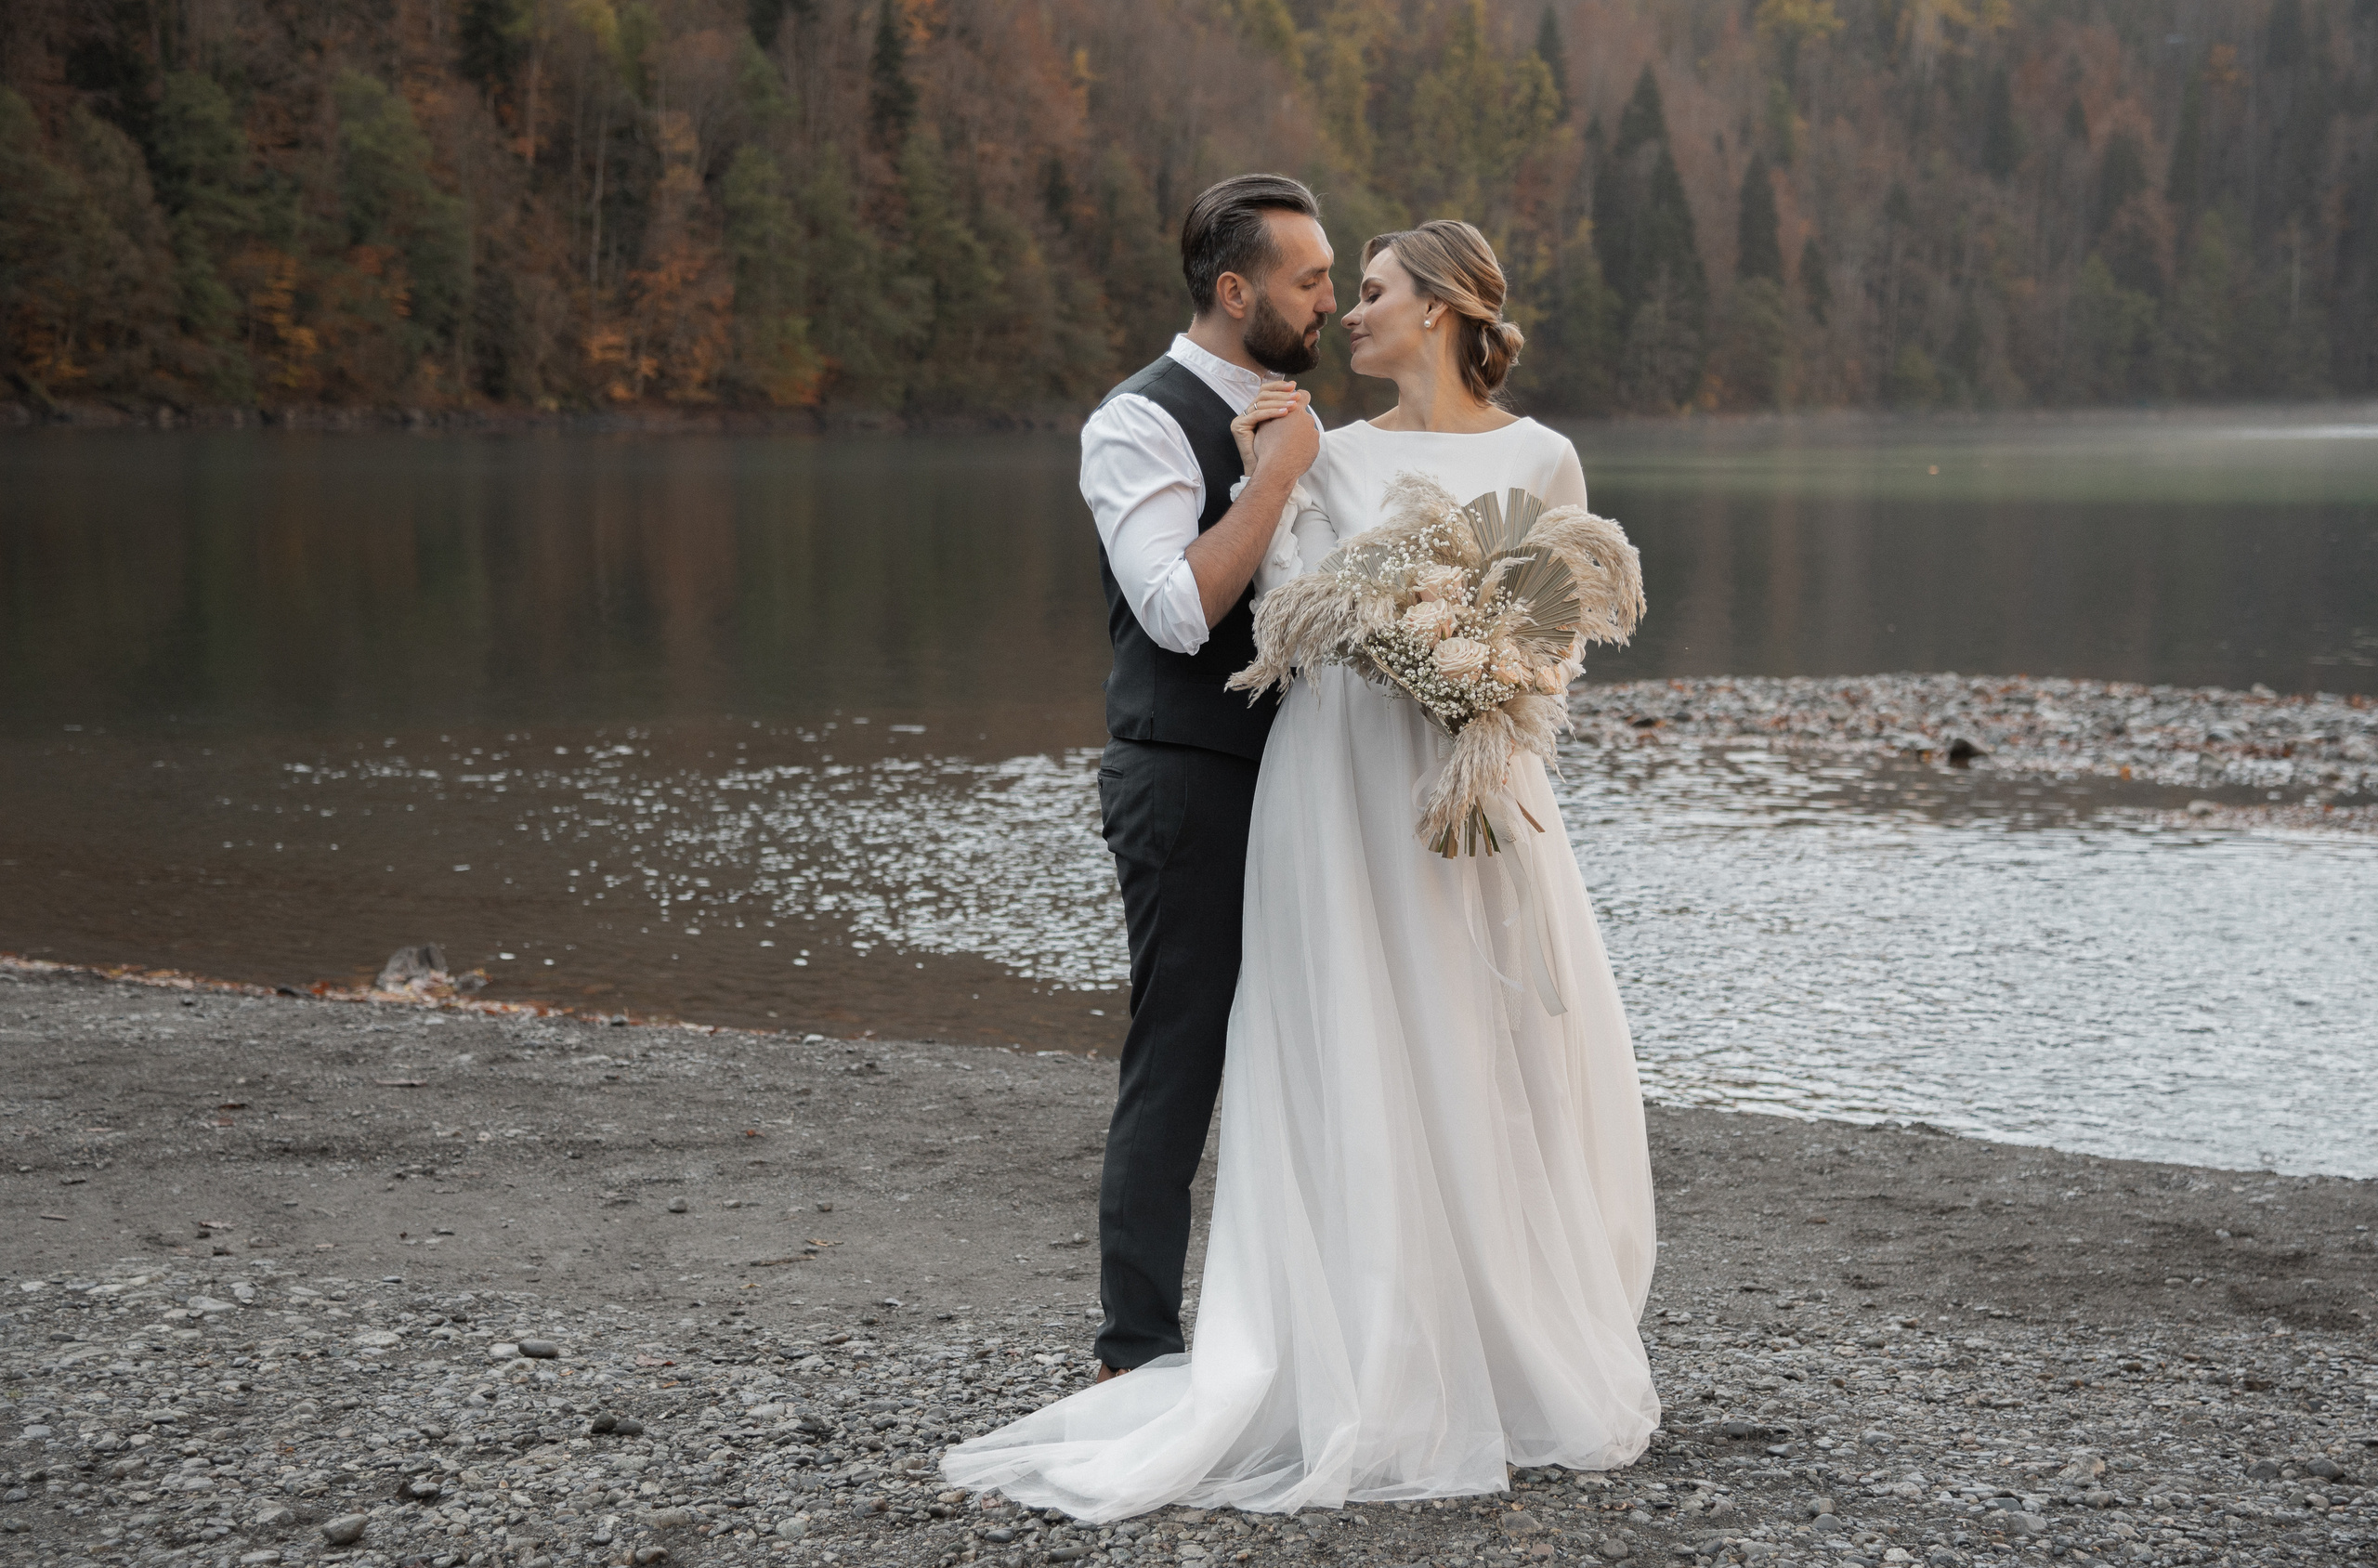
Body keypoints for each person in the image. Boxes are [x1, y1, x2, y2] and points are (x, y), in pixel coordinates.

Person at [943, 217, 1659, 1518]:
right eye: (1328, 283)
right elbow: (1277, 609)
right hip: (1335, 781)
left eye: (1365, 289)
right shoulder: (1322, 450)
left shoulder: (1544, 454)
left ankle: (1495, 1340)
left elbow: (1556, 636)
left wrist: (1486, 678)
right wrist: (1386, 625)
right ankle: (1312, 1345)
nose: (1343, 310)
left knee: (1481, 1041)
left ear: (1439, 310)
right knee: (1339, 1049)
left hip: (1471, 786)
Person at [1069, 174, 1334, 1383]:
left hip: (1304, 784)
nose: (1329, 300)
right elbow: (1176, 613)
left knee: (1313, 1042)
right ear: (1237, 293)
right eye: (1309, 280)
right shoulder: (1138, 420)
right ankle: (1136, 1351)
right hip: (1185, 782)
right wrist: (1273, 478)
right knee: (1180, 1053)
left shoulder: (1307, 418)